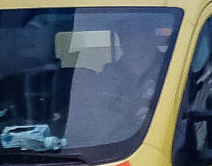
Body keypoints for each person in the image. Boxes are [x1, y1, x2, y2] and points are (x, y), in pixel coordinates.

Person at [64, 17, 164, 147]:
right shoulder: (108, 75)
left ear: (150, 36)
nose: (127, 41)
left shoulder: (171, 67)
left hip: (161, 141)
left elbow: (185, 113)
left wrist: (156, 114)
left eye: (134, 35)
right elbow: (95, 110)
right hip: (115, 145)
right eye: (123, 35)